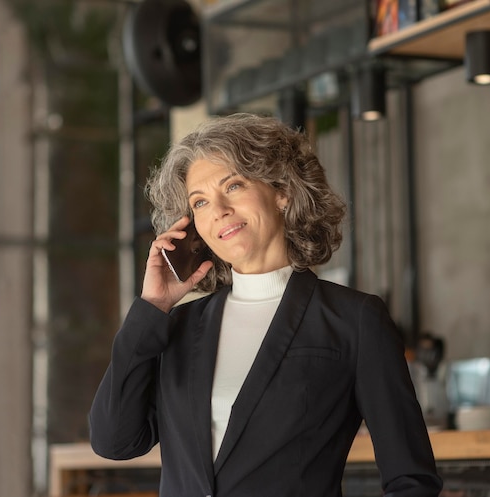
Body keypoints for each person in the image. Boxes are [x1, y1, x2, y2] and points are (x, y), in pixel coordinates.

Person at [89, 113, 442, 497]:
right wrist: (152, 307)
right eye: (201, 202)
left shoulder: (353, 321)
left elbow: (412, 480)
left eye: (234, 185)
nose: (219, 209)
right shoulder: (178, 326)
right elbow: (114, 441)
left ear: (282, 190)